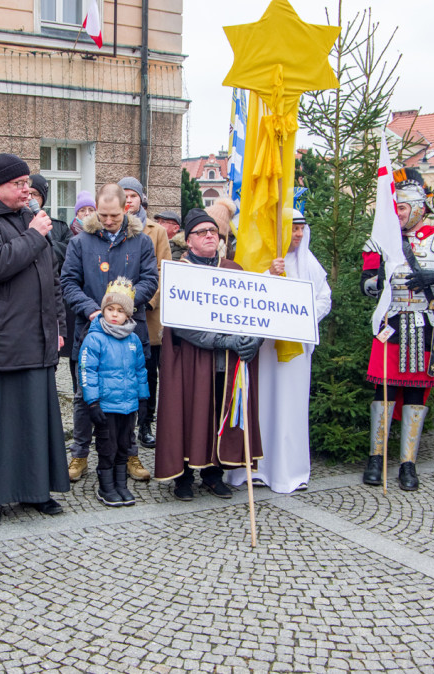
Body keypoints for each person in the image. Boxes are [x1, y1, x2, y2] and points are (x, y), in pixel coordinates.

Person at [0, 153, 69, 523]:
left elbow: (51, 279)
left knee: (35, 420)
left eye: (27, 184)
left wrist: (58, 326)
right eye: (18, 184)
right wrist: (34, 234)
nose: (26, 190)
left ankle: (36, 490)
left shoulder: (29, 219)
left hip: (36, 337)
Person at [360, 167, 434, 491]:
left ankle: (408, 463)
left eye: (402, 207)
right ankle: (375, 457)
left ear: (419, 207)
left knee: (414, 393)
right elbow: (365, 286)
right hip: (390, 322)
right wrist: (379, 279)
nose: (397, 213)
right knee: (383, 390)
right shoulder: (381, 241)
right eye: (394, 208)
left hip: (426, 325)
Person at [154, 209, 264, 500]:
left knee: (219, 414)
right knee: (190, 414)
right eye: (201, 232)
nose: (209, 236)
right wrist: (223, 340)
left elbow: (256, 313)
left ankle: (214, 475)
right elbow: (180, 325)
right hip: (191, 359)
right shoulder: (179, 272)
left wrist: (254, 340)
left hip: (226, 364)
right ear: (188, 241)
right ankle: (184, 477)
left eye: (213, 231)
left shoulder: (234, 270)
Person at [225, 210, 331, 493]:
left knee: (290, 406)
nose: (297, 234)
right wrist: (268, 274)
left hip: (295, 350)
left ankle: (287, 470)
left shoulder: (309, 262)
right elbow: (246, 293)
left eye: (301, 229)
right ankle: (255, 468)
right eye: (292, 228)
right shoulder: (264, 258)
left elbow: (324, 298)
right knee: (260, 404)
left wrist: (302, 318)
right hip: (266, 349)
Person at [62, 183, 158, 482]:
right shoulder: (80, 242)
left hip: (130, 331)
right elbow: (67, 283)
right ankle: (79, 455)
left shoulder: (141, 242)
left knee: (128, 394)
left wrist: (124, 304)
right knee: (83, 397)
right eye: (102, 215)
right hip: (90, 330)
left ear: (126, 208)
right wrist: (94, 309)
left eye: (114, 215)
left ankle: (130, 454)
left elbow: (151, 280)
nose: (107, 221)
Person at [78, 277, 149, 506]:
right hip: (106, 407)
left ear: (128, 315)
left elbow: (140, 370)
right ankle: (106, 486)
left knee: (124, 446)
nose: (115, 314)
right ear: (104, 310)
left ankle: (121, 485)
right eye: (110, 309)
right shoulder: (94, 339)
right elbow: (87, 372)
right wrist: (93, 403)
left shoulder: (134, 340)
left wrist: (143, 398)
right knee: (107, 447)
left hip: (128, 406)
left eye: (120, 310)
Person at [118, 176, 172, 453]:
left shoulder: (156, 231)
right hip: (115, 311)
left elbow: (164, 271)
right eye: (124, 195)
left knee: (148, 373)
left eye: (133, 195)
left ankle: (146, 424)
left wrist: (148, 301)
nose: (128, 200)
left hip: (147, 314)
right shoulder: (111, 225)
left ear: (141, 199)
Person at [65, 191, 98, 389]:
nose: (86, 214)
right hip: (74, 303)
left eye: (90, 210)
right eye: (82, 210)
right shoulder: (69, 234)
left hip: (94, 301)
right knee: (75, 350)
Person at [30, 173, 72, 271]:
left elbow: (69, 253)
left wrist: (42, 246)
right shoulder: (15, 223)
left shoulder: (59, 227)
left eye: (35, 194)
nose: (30, 198)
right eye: (27, 193)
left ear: (43, 197)